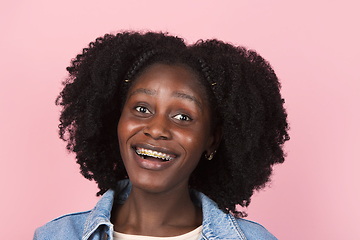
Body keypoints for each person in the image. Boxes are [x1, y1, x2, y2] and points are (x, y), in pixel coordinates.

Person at [33, 31, 289, 240]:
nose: (156, 129)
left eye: (183, 117)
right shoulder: (56, 236)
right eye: (142, 109)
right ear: (116, 120)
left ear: (212, 139)